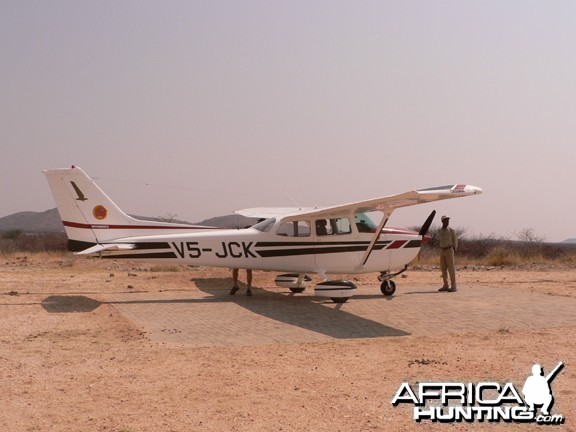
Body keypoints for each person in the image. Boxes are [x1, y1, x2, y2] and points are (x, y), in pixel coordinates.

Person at [438, 215, 458, 292]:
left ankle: (453, 286)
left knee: (451, 268)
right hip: (442, 250)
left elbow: (455, 239)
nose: (447, 221)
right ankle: (446, 285)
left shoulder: (451, 230)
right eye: (445, 220)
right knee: (443, 269)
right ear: (442, 221)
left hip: (449, 249)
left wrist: (454, 248)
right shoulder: (440, 231)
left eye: (448, 220)